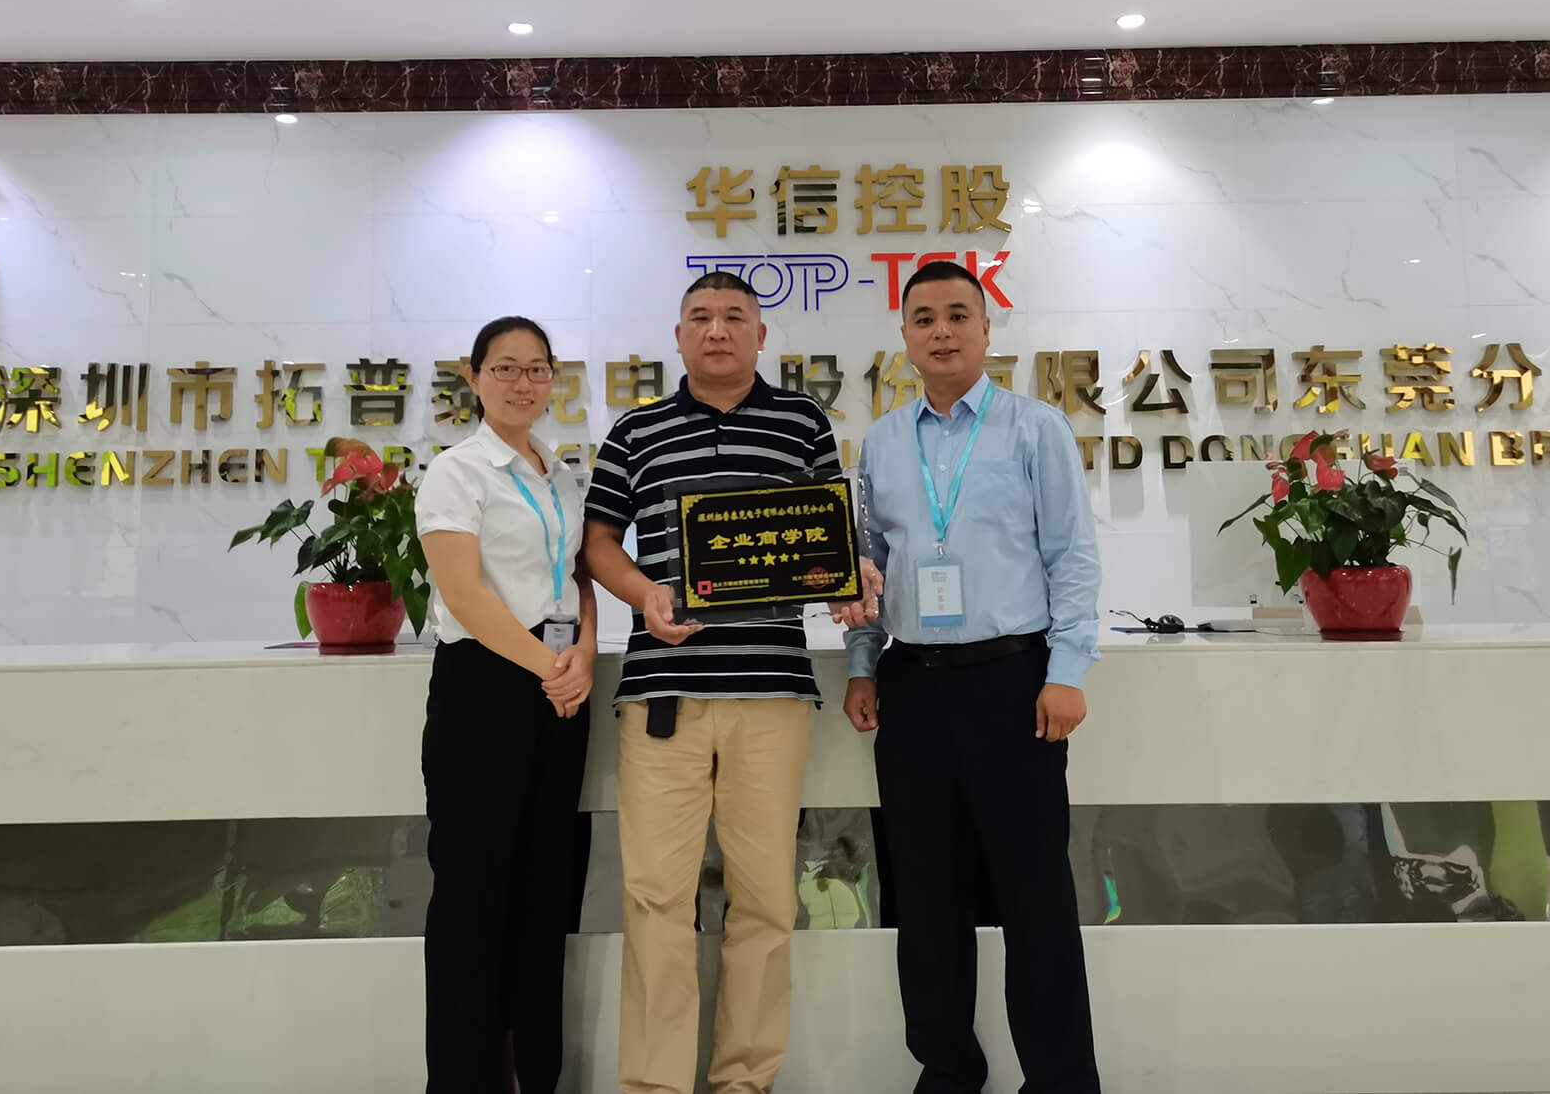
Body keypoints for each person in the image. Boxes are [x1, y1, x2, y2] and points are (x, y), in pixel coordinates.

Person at [583, 271, 881, 1094]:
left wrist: (850, 575)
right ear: (678, 335)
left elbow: (831, 536)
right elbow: (599, 542)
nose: (717, 330)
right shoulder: (636, 430)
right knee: (656, 901)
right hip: (663, 695)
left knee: (766, 902)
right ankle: (655, 1085)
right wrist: (644, 594)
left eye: (734, 317)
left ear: (760, 335)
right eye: (701, 317)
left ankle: (745, 1081)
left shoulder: (802, 423)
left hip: (772, 692)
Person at [842, 259, 1103, 1094]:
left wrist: (1067, 670)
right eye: (924, 318)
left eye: (959, 314)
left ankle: (1059, 1081)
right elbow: (867, 568)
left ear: (988, 330)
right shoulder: (883, 442)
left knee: (1035, 897)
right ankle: (949, 1072)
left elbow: (1072, 557)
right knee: (924, 898)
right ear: (905, 337)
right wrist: (862, 664)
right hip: (912, 688)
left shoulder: (1036, 428)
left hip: (1013, 683)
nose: (942, 331)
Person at [415, 315, 597, 1094]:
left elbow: (577, 578)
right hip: (485, 691)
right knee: (472, 902)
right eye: (505, 368)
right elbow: (463, 593)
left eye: (537, 369)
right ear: (475, 377)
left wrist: (584, 652)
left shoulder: (561, 474)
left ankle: (536, 1078)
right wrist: (548, 665)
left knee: (544, 894)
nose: (524, 383)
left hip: (558, 693)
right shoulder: (457, 472)